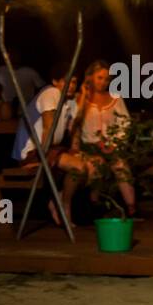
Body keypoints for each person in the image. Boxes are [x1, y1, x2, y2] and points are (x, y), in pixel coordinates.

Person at [55, 61, 135, 224]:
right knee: (94, 167)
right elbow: (74, 125)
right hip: (89, 146)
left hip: (112, 145)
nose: (103, 82)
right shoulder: (80, 98)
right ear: (90, 77)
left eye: (106, 79)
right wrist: (83, 96)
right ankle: (92, 206)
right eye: (99, 78)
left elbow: (125, 123)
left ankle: (131, 207)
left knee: (120, 165)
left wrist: (114, 142)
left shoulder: (115, 98)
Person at [13, 66, 75, 167]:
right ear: (55, 82)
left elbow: (73, 128)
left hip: (49, 149)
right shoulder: (52, 92)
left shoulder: (66, 102)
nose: (71, 86)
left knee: (86, 164)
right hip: (32, 153)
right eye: (66, 81)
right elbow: (48, 128)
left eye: (74, 82)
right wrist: (43, 160)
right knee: (80, 166)